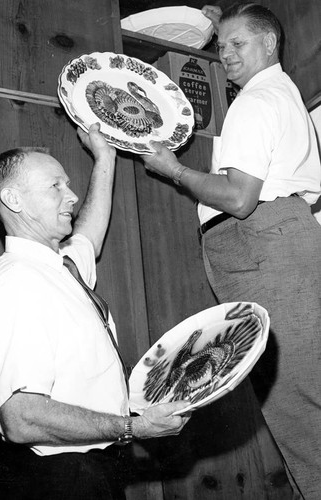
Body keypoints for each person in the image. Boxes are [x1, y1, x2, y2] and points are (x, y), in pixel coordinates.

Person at [140, 3, 321, 499]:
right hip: (284, 242)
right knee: (307, 395)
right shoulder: (284, 97)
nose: (227, 55)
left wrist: (171, 169)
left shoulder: (255, 102)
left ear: (270, 44)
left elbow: (240, 198)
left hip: (262, 244)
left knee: (296, 406)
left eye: (238, 44)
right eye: (221, 46)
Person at [0, 123, 191, 500]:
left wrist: (104, 158)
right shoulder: (18, 285)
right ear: (14, 200)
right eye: (55, 186)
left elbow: (89, 235)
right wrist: (133, 428)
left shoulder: (57, 268)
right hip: (57, 483)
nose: (71, 195)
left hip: (92, 473)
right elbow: (22, 417)